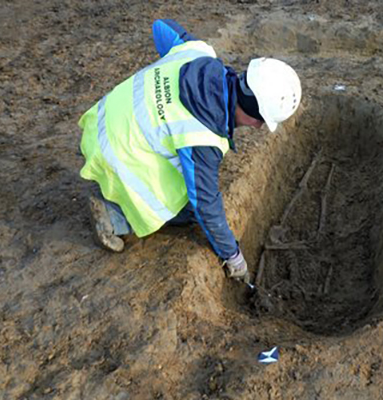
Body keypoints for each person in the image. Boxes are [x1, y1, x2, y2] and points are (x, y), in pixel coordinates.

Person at [78, 19, 302, 282]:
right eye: (262, 123)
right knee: (187, 208)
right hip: (115, 156)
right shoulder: (202, 137)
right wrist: (233, 257)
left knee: (184, 175)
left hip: (97, 125)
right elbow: (206, 204)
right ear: (256, 118)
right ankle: (115, 216)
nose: (259, 128)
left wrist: (165, 80)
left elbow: (161, 26)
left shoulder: (197, 53)